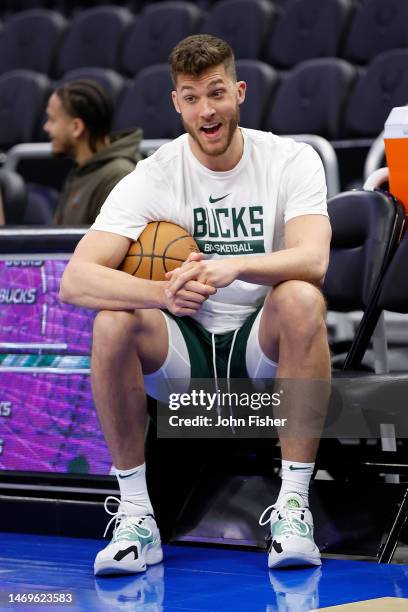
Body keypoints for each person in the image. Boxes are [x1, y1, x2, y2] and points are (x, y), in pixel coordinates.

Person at [60, 34, 331, 576]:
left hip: (260, 347)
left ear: (239, 92)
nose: (206, 110)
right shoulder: (155, 174)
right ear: (176, 102)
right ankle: (138, 516)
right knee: (113, 321)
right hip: (184, 351)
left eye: (216, 93)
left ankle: (293, 508)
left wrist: (235, 265)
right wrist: (161, 293)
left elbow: (313, 259)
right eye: (191, 96)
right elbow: (76, 280)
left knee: (301, 297)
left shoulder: (290, 159)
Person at [43, 79, 142, 225]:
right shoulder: (82, 169)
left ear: (76, 127)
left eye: (52, 120)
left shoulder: (118, 175)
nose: (46, 127)